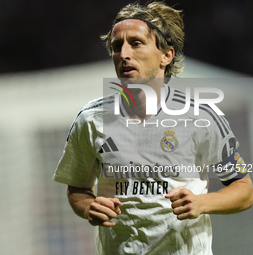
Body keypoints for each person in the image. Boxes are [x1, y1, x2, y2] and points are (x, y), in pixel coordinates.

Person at [53, 2, 253, 254]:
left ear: (166, 55)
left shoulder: (201, 116)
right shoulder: (90, 119)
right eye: (117, 46)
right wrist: (87, 207)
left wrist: (202, 203)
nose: (124, 53)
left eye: (136, 43)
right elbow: (78, 188)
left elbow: (244, 190)